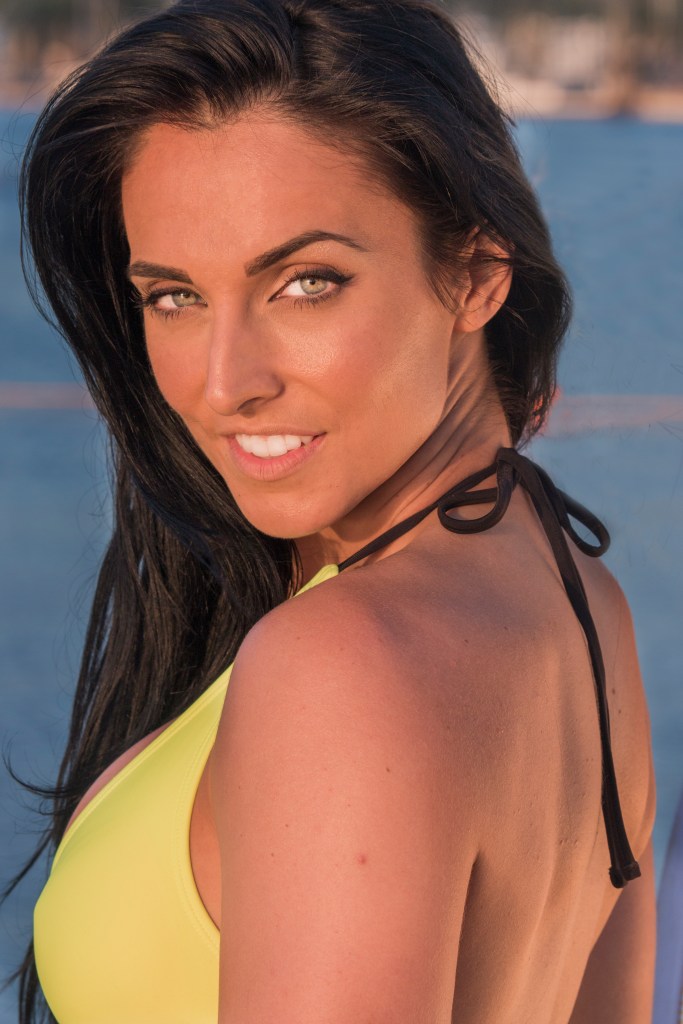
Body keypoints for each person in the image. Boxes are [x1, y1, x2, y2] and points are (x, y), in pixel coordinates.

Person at [11, 0, 655, 1020]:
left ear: (474, 274)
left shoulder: (340, 666)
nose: (225, 383)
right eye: (174, 296)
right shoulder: (581, 604)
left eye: (306, 283)